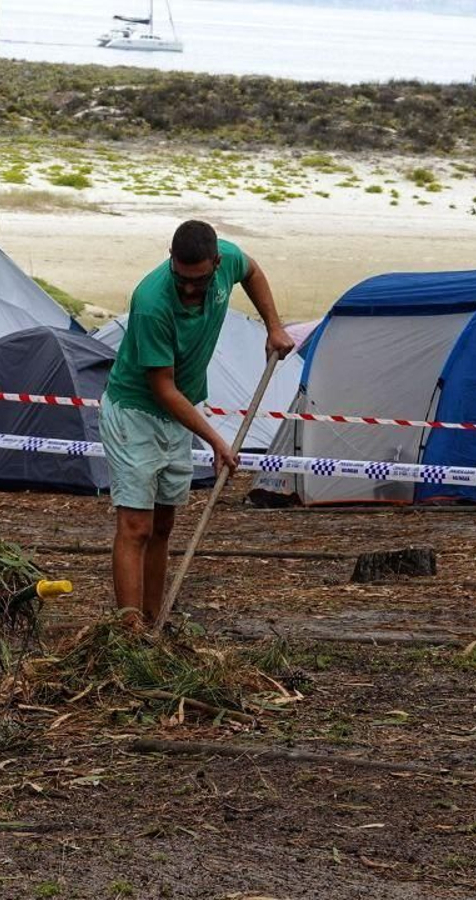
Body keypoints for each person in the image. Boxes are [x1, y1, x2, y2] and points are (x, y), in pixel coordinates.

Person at [103, 220, 294, 629]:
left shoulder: (228, 262)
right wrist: (216, 440)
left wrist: (273, 327)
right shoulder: (152, 302)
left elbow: (253, 271)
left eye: (200, 280)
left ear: (215, 263)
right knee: (136, 525)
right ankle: (129, 633)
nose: (189, 290)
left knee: (163, 524)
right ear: (171, 261)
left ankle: (155, 621)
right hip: (136, 413)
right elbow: (163, 389)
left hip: (178, 414)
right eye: (182, 279)